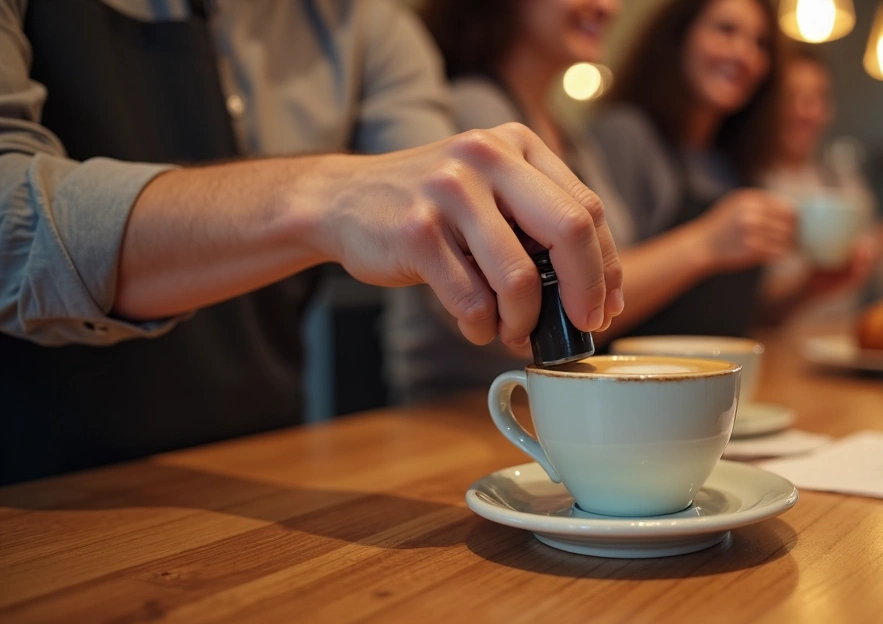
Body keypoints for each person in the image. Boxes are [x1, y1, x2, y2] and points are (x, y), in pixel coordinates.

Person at [0, 0, 621, 483]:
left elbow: (445, 220)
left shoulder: (369, 25)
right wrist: (326, 194)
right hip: (35, 487)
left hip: (267, 464)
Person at [385, 0, 639, 404]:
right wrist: (706, 246)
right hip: (468, 407)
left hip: (553, 400)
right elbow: (527, 319)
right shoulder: (473, 111)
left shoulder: (569, 134)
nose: (610, 7)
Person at [588, 0, 866, 339]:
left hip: (720, 385)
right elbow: (588, 298)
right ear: (679, 36)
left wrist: (807, 289)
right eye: (725, 30)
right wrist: (706, 242)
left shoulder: (732, 162)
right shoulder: (627, 135)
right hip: (637, 387)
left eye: (760, 43)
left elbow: (733, 315)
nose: (744, 54)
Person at [762, 45, 883, 320]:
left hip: (839, 338)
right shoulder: (748, 183)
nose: (806, 113)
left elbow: (881, 275)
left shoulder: (845, 182)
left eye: (818, 98)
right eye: (790, 97)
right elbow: (752, 304)